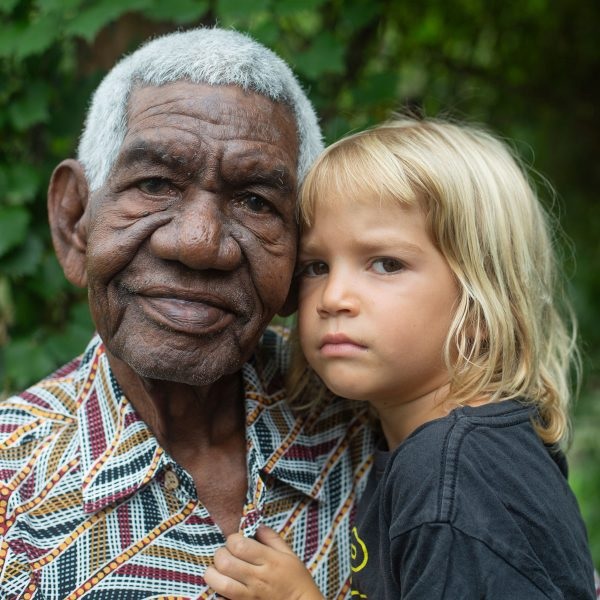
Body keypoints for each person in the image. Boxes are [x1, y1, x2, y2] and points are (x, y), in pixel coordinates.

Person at [0, 28, 374, 598]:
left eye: (255, 201)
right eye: (153, 184)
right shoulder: (12, 486)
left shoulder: (375, 419)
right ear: (75, 221)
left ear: (301, 252)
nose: (200, 243)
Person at [204, 116, 597, 599]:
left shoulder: (454, 473)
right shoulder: (469, 450)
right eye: (316, 267)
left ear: (482, 302)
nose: (333, 297)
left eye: (386, 264)